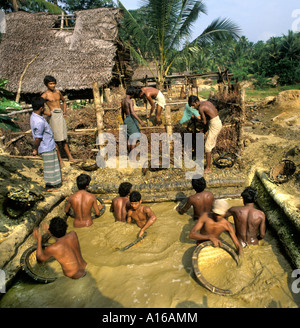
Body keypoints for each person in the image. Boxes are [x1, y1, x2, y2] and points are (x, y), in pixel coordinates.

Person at [30, 96, 62, 192]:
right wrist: (35, 148)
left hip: (49, 144)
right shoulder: (39, 122)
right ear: (41, 108)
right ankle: (50, 187)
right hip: (46, 146)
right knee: (49, 168)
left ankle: (54, 184)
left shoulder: (35, 116)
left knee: (53, 166)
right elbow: (38, 138)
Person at [41, 75, 74, 166]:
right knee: (55, 139)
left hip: (60, 115)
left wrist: (64, 111)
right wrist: (47, 113)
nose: (53, 85)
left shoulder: (58, 92)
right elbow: (38, 106)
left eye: (54, 83)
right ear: (46, 84)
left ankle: (70, 157)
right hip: (53, 117)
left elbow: (64, 101)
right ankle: (60, 160)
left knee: (63, 138)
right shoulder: (45, 95)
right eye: (51, 83)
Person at [189, 96, 222, 174]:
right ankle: (209, 161)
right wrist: (205, 130)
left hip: (214, 124)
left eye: (193, 105)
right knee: (209, 143)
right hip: (216, 121)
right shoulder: (206, 102)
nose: (193, 107)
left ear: (197, 102)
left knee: (207, 146)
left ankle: (208, 168)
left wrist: (195, 118)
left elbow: (204, 122)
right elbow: (209, 118)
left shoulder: (201, 108)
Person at [121, 86, 146, 156]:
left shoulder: (122, 101)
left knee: (129, 139)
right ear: (132, 94)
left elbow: (122, 114)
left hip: (126, 120)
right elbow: (132, 112)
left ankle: (129, 156)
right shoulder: (130, 101)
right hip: (131, 119)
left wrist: (124, 122)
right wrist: (140, 121)